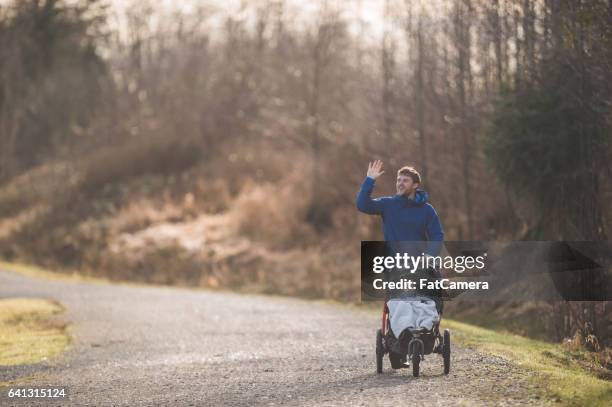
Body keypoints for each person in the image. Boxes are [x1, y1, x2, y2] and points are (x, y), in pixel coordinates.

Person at [355, 160, 444, 257]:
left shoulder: (427, 209)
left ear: (415, 185)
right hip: (394, 267)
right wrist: (369, 180)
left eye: (405, 180)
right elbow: (362, 205)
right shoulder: (387, 204)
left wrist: (429, 255)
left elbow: (437, 235)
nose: (400, 183)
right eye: (399, 180)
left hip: (420, 266)